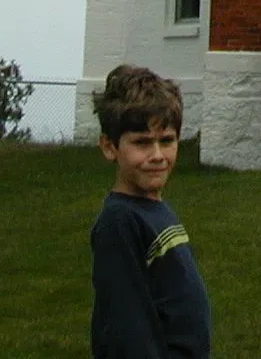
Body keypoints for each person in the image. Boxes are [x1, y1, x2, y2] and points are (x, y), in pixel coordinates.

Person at [90, 65, 211, 359]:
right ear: (110, 147)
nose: (157, 156)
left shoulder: (157, 211)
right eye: (142, 142)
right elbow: (127, 324)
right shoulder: (119, 222)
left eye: (167, 140)